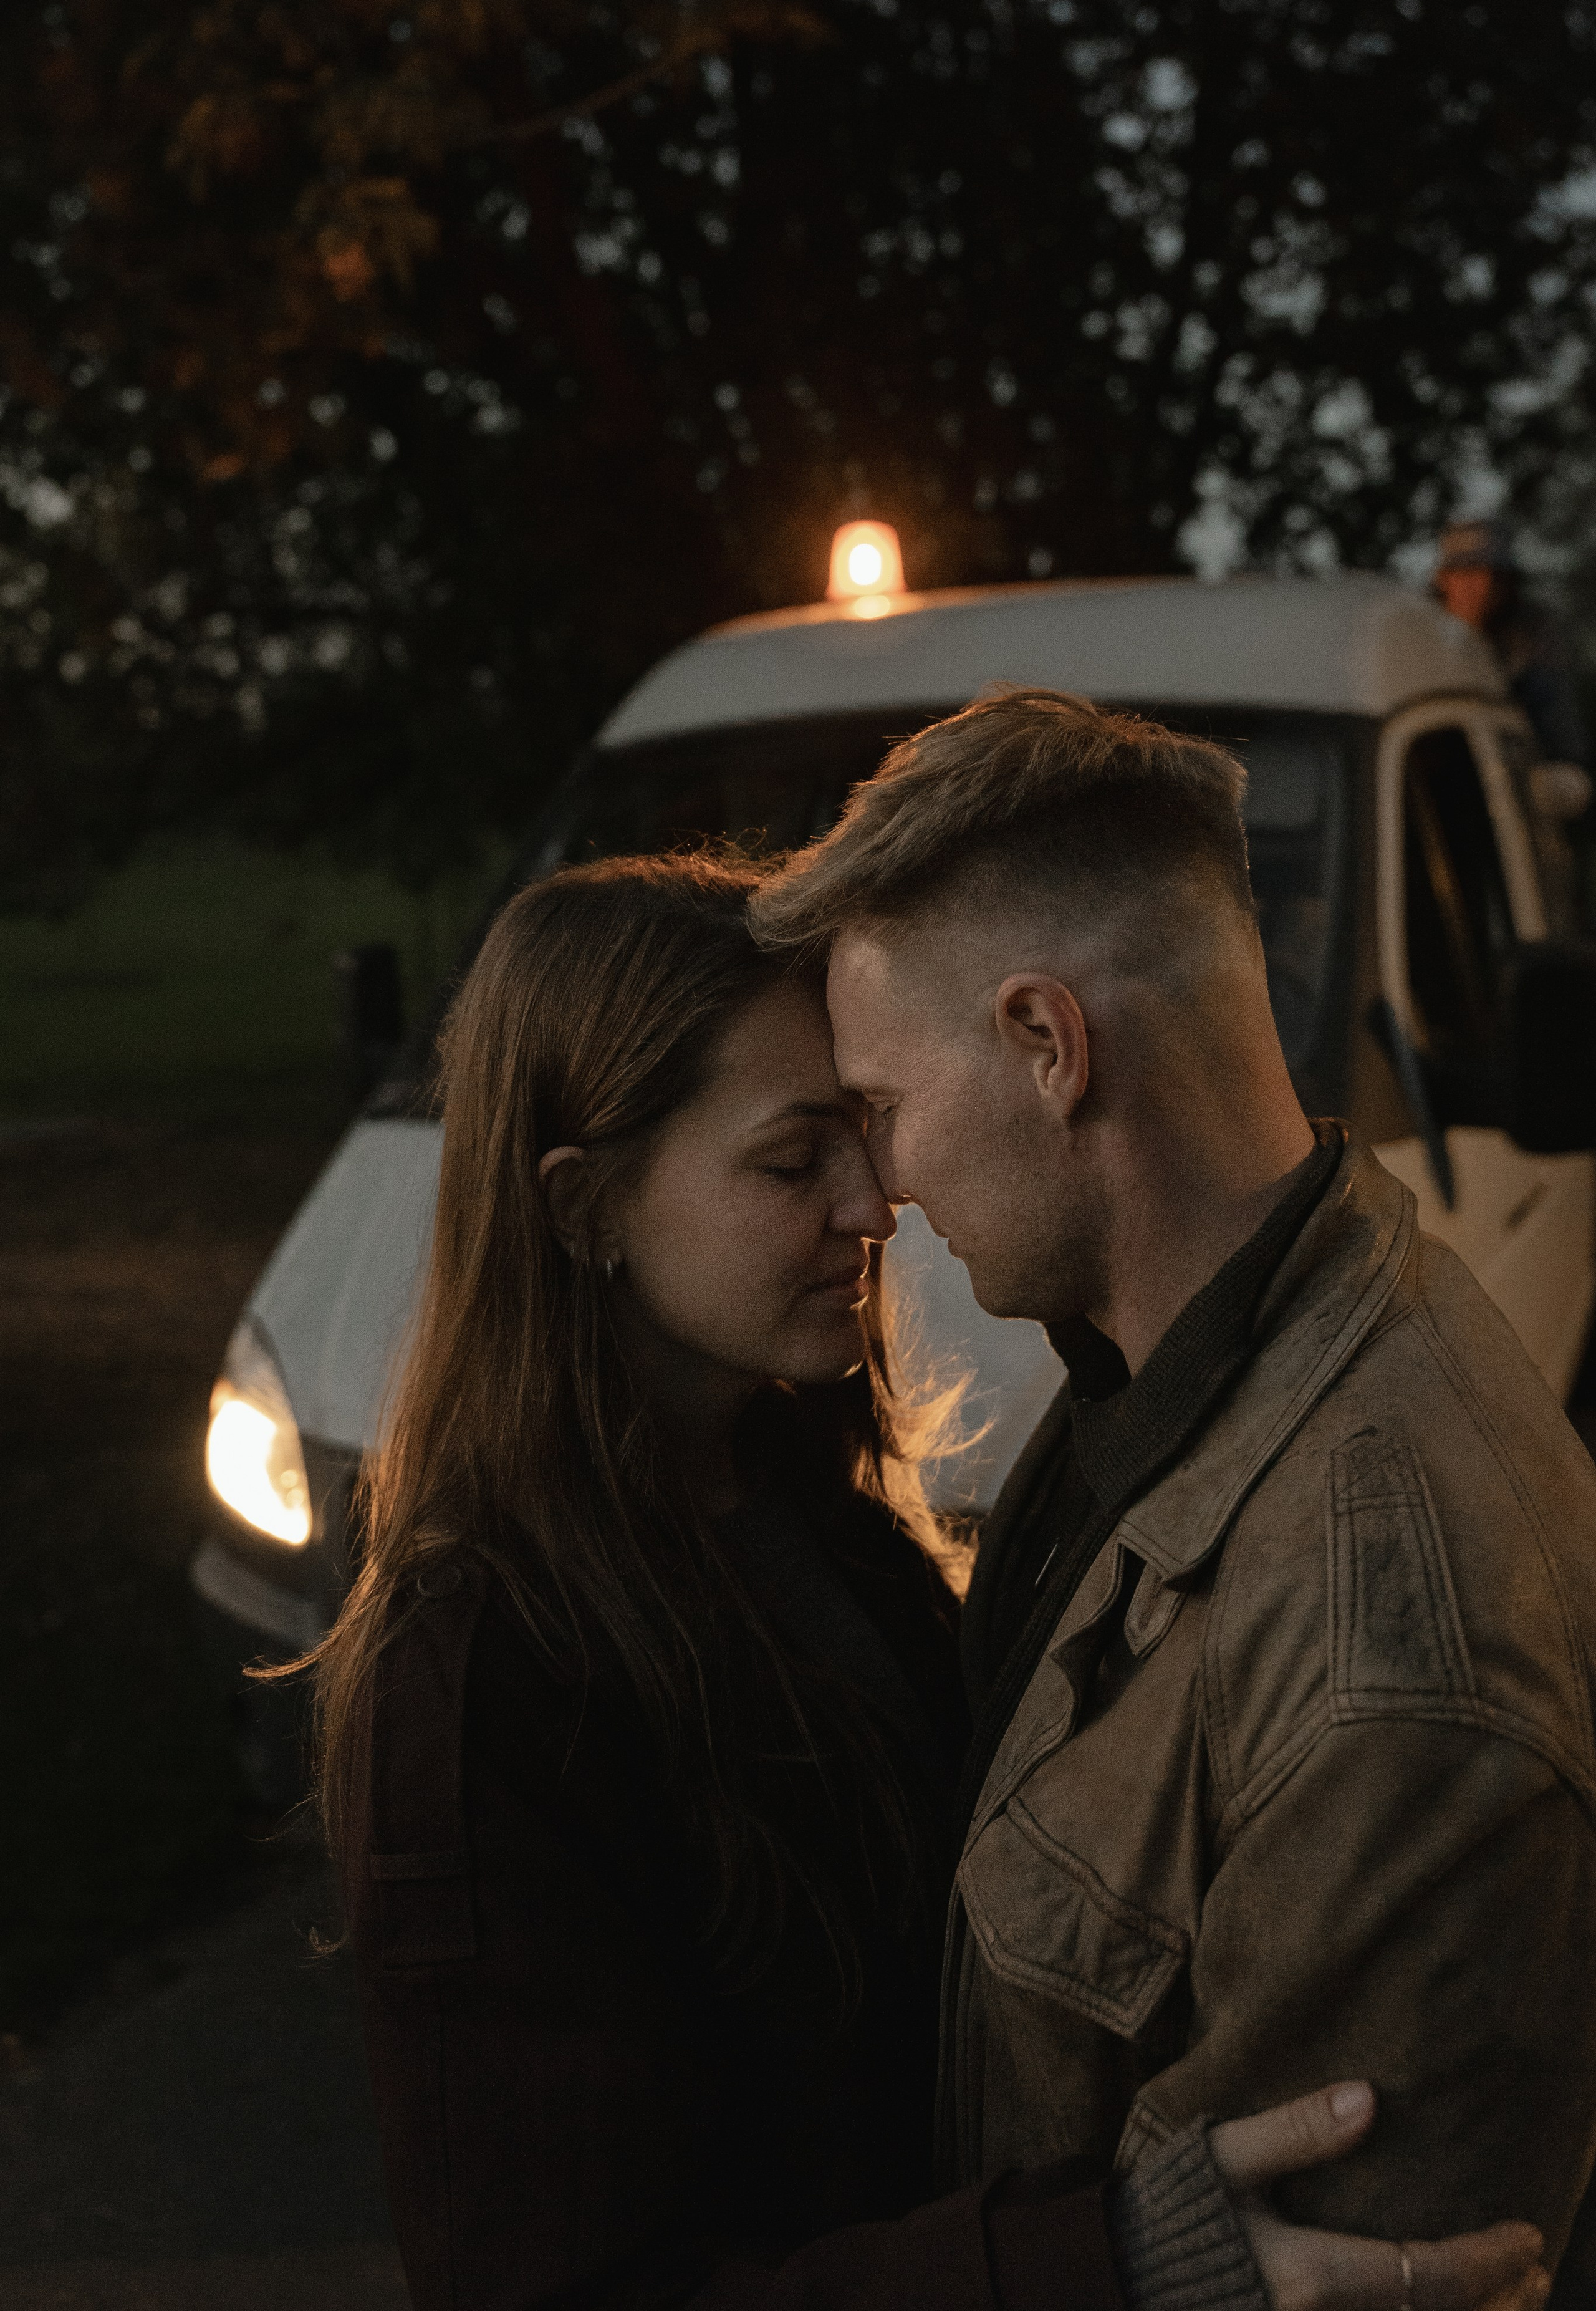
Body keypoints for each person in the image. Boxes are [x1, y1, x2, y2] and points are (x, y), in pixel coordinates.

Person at [312, 852, 1547, 2311]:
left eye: (862, 1128)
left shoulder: (809, 1508)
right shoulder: (482, 1674)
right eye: (793, 1162)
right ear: (583, 1208)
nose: (874, 1201)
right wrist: (1105, 2261)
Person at [751, 688, 1596, 2279]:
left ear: (1045, 1044)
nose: (885, 1183)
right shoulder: (1156, 1375)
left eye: (883, 1107)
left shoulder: (1384, 1665)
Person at [1431, 518, 1589, 767]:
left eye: (1496, 576)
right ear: (1444, 579)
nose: (1484, 586)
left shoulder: (1532, 636)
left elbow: (1560, 735)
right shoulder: (1418, 636)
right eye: (1469, 572)